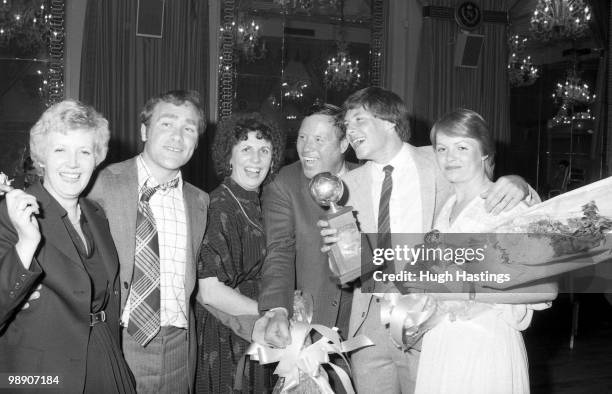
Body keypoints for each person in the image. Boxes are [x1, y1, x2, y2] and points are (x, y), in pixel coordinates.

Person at [319, 87, 538, 394]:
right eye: (347, 124)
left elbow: (490, 190)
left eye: (358, 120)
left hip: (431, 322)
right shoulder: (345, 187)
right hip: (368, 327)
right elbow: (349, 271)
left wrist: (520, 185)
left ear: (388, 122)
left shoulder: (438, 161)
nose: (349, 131)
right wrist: (337, 255)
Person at [413, 109, 557, 394]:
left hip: (485, 346)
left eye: (462, 147)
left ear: (484, 153)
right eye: (442, 148)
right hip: (442, 342)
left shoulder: (508, 205)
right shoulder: (446, 208)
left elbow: (547, 288)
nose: (450, 157)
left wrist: (468, 289)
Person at [0, 100, 136, 393]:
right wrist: (26, 245)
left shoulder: (96, 215)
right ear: (42, 158)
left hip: (104, 360)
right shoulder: (10, 214)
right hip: (41, 376)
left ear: (97, 158)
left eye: (84, 151)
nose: (73, 163)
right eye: (60, 149)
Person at [89, 90, 209, 393]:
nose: (177, 137)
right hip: (120, 340)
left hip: (180, 347)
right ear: (144, 130)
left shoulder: (200, 201)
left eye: (189, 129)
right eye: (166, 124)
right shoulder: (100, 184)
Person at [255, 104, 356, 393]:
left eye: (319, 140)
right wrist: (277, 309)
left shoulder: (368, 180)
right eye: (302, 137)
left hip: (364, 327)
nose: (306, 147)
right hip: (311, 327)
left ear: (344, 144)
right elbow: (279, 251)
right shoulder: (284, 184)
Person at [195, 113, 284, 393]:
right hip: (228, 335)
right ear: (229, 157)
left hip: (255, 330)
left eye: (264, 150)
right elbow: (209, 292)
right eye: (246, 149)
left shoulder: (262, 202)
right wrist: (270, 312)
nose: (256, 159)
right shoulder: (220, 204)